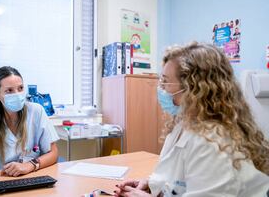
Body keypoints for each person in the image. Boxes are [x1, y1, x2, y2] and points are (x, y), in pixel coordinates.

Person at [114, 42, 269, 197]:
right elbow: (178, 178)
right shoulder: (183, 123)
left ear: (193, 88)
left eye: (166, 81)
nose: (161, 88)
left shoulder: (214, 141)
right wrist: (150, 184)